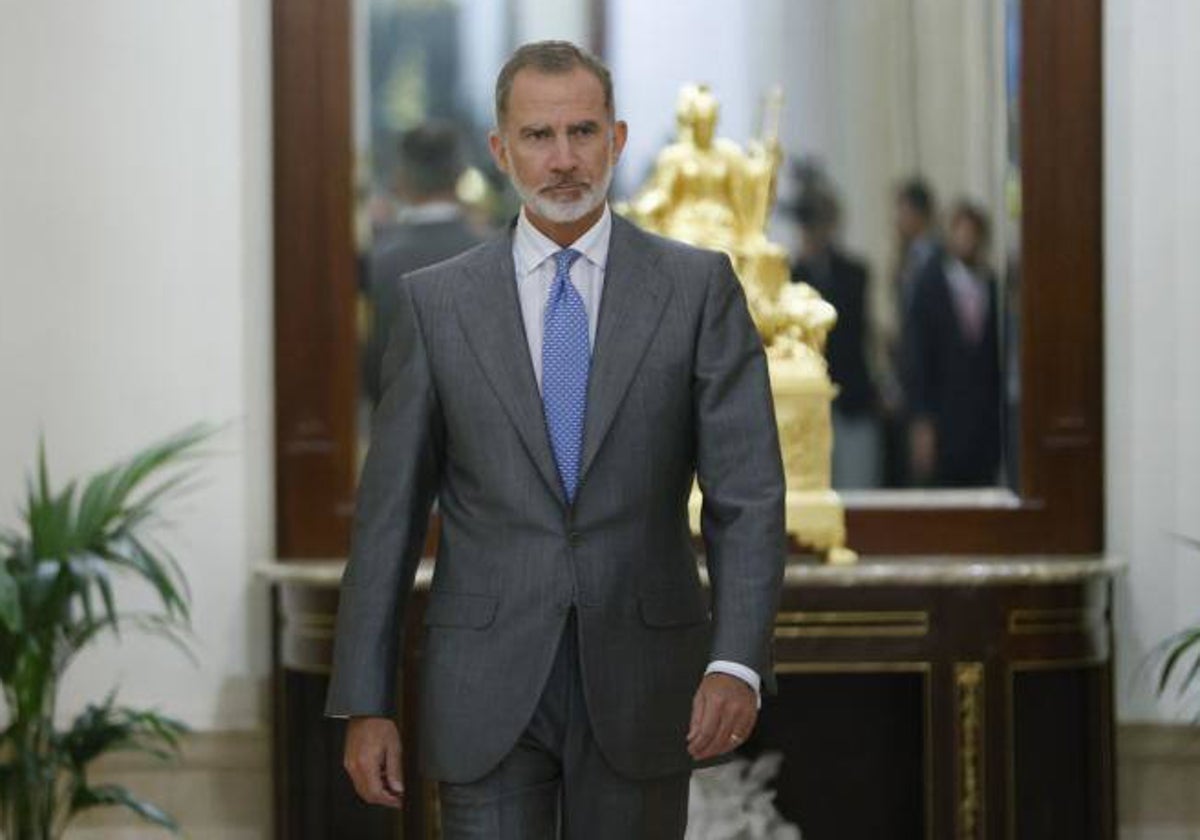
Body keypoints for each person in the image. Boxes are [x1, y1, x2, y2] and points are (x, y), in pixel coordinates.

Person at [325, 40, 786, 840]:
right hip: (484, 685)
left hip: (645, 682)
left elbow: (747, 496)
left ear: (618, 139)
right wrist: (367, 700)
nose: (564, 159)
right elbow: (389, 519)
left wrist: (736, 659)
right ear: (502, 151)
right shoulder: (436, 305)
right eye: (539, 137)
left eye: (583, 132)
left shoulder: (696, 288)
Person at [363, 121, 484, 407]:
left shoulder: (378, 262)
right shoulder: (499, 254)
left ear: (400, 178)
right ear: (460, 176)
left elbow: (371, 365)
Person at [790, 186, 880, 488]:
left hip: (851, 395)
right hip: (809, 401)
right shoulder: (791, 275)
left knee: (859, 488)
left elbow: (855, 330)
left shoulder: (855, 273)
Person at [907, 201, 1002, 486]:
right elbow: (919, 357)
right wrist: (922, 421)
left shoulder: (991, 286)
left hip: (983, 424)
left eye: (972, 233)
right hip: (943, 419)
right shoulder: (930, 286)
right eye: (961, 232)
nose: (966, 240)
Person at [881, 178, 943, 487]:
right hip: (909, 384)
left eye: (902, 212)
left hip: (929, 391)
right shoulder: (907, 260)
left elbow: (928, 341)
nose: (897, 220)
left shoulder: (935, 263)